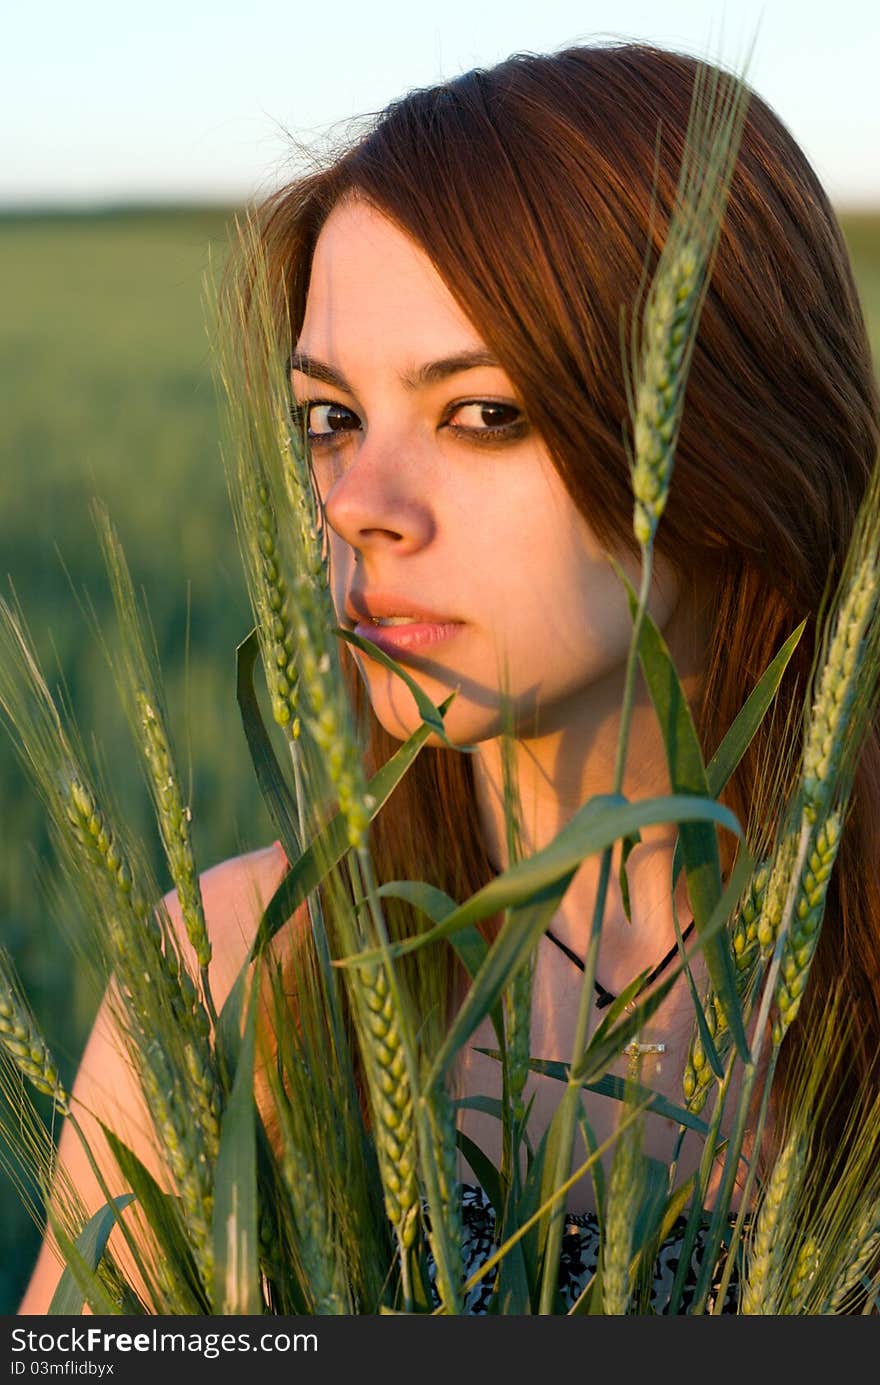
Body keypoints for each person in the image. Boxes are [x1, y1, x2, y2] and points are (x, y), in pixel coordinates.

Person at [18, 39, 880, 1315]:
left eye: (482, 413)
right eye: (330, 419)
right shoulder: (234, 978)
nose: (359, 506)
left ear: (725, 431)